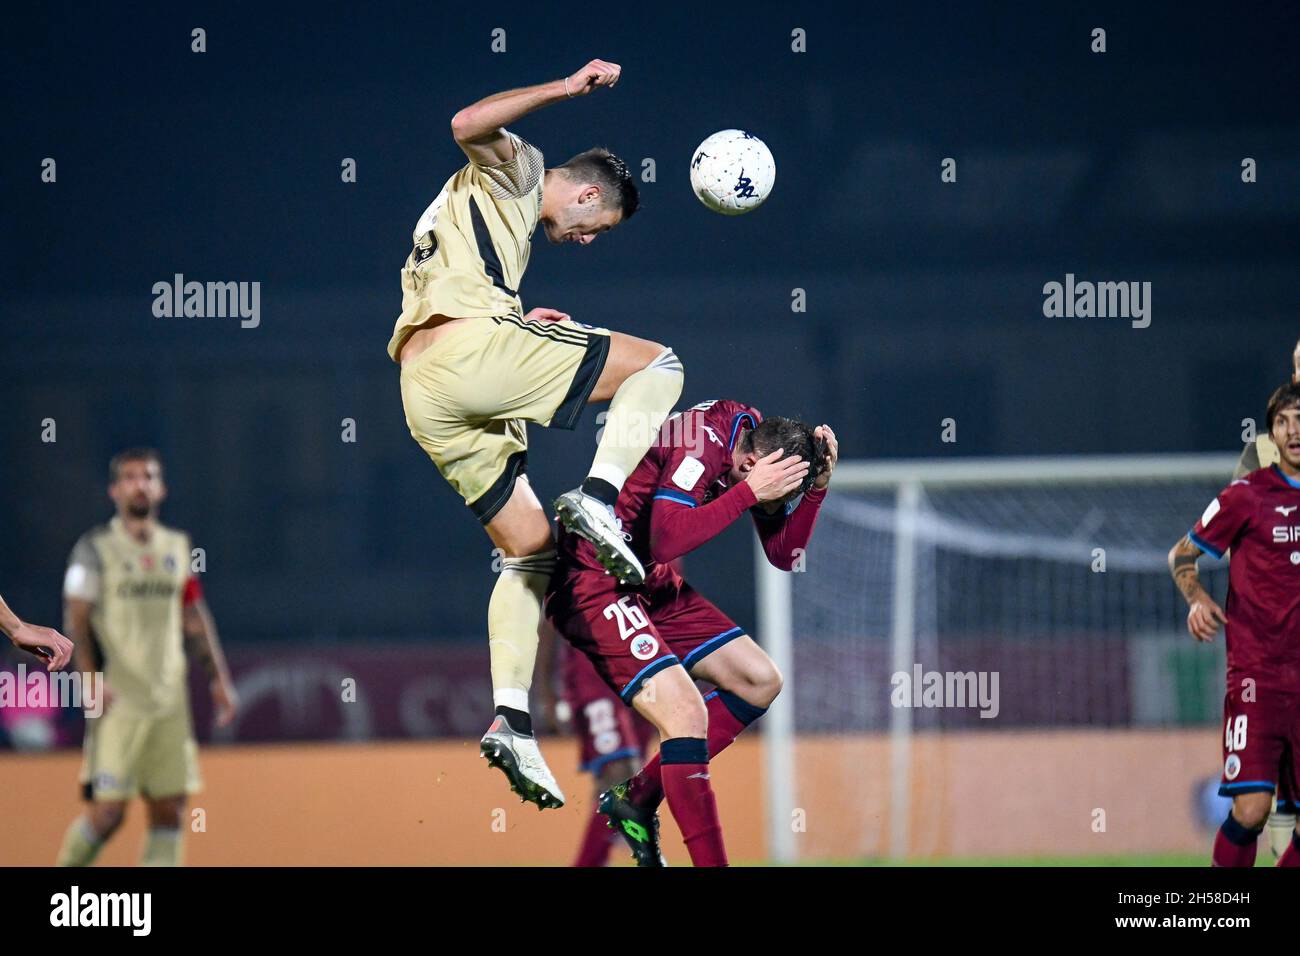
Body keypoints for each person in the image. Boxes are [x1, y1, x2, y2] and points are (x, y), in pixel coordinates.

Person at [389, 59, 685, 809]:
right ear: (586, 194)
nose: (587, 240)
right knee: (661, 364)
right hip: (470, 354)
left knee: (529, 551)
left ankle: (512, 720)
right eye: (597, 227)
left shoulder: (495, 219)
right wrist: (562, 90)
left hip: (422, 386)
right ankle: (599, 495)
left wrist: (518, 319)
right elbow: (465, 124)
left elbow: (458, 275)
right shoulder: (522, 173)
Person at [546, 400, 837, 865]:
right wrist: (748, 494)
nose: (769, 506)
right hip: (594, 578)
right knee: (686, 715)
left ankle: (637, 797)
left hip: (647, 580)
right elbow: (667, 539)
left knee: (760, 680)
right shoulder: (703, 439)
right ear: (749, 465)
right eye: (771, 495)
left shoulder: (754, 448)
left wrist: (817, 490)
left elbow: (785, 555)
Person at [56, 448, 238, 866]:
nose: (141, 484)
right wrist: (88, 680)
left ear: (161, 489)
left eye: (149, 477)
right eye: (131, 477)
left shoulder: (176, 547)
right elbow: (76, 620)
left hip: (169, 703)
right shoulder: (94, 549)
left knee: (169, 810)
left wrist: (218, 678)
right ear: (115, 490)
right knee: (108, 814)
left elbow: (192, 617)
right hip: (119, 703)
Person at [1168, 382, 1300, 867]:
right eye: (1283, 422)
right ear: (1272, 433)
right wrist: (1197, 596)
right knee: (1251, 809)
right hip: (1257, 678)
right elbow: (1182, 553)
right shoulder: (1247, 495)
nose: (1293, 431)